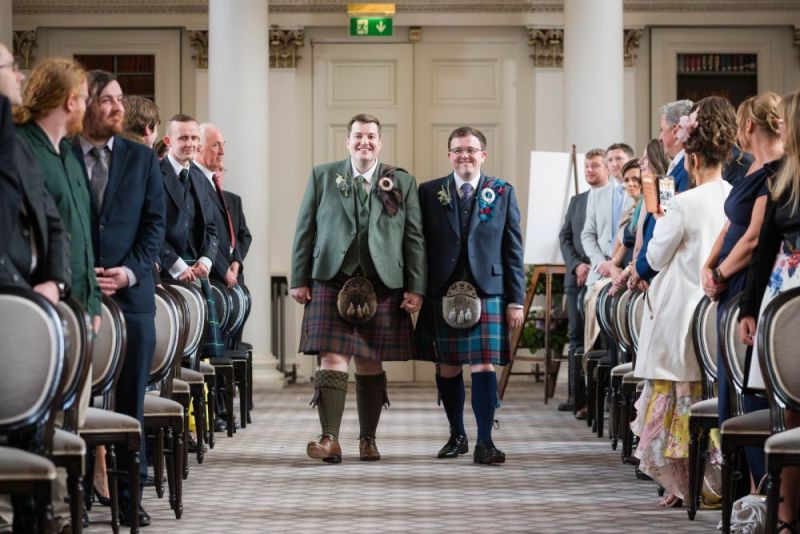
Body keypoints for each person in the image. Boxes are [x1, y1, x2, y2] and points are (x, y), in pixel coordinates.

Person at [290, 113, 426, 463]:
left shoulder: (400, 181)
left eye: (371, 137)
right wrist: (298, 277)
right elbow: (305, 228)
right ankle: (329, 439)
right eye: (358, 136)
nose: (364, 142)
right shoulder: (323, 176)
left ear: (380, 142)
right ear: (347, 141)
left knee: (369, 361)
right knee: (331, 357)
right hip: (330, 277)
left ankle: (367, 440)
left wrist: (416, 286)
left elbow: (413, 237)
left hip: (381, 282)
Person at [632, 96, 737, 507]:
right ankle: (710, 481)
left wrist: (660, 220)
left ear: (692, 160)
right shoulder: (733, 195)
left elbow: (656, 258)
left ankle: (682, 484)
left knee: (677, 399)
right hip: (714, 312)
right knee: (706, 392)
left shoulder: (683, 203)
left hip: (679, 311)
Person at [72, 70, 165, 528]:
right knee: (76, 398)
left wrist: (128, 272)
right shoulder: (63, 154)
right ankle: (81, 493)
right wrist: (82, 272)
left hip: (132, 297)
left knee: (131, 400)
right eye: (107, 100)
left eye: (120, 99)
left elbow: (154, 225)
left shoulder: (141, 159)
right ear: (85, 105)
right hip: (76, 296)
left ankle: (130, 497)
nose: (117, 108)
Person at [415, 126, 524, 464]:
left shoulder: (502, 191)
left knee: (483, 364)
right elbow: (418, 247)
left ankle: (485, 442)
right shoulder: (429, 192)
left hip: (488, 288)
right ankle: (457, 434)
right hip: (442, 288)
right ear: (449, 155)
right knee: (447, 366)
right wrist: (416, 290)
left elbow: (513, 249)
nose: (465, 155)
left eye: (471, 149)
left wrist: (516, 299)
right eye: (458, 150)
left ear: (483, 155)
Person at [701, 92, 783, 487]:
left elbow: (754, 241)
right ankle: (743, 490)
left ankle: (756, 490)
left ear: (748, 126)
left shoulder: (773, 174)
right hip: (727, 282)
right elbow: (728, 226)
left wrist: (719, 274)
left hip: (745, 286)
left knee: (750, 390)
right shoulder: (750, 171)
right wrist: (709, 266)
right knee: (730, 388)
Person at [739, 89, 800, 530]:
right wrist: (749, 307)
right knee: (788, 406)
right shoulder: (780, 175)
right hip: (783, 289)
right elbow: (762, 250)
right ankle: (784, 512)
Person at [557, 149, 605, 415]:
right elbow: (564, 236)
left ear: (606, 168)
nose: (589, 170)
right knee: (576, 337)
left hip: (603, 276)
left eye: (595, 165)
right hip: (577, 276)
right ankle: (578, 397)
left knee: (599, 340)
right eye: (586, 166)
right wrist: (577, 265)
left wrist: (596, 265)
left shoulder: (614, 197)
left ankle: (599, 399)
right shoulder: (577, 201)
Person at [628, 99, 694, 292]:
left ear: (675, 131)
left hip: (667, 275)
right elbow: (656, 223)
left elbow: (668, 226)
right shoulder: (672, 170)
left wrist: (642, 270)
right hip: (652, 271)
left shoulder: (687, 171)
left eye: (661, 129)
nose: (659, 136)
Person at [194, 123, 242, 288]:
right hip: (209, 276)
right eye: (215, 145)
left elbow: (231, 231)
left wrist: (236, 259)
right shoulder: (193, 178)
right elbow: (201, 231)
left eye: (223, 144)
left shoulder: (212, 180)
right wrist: (223, 269)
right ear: (199, 147)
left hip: (226, 277)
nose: (222, 151)